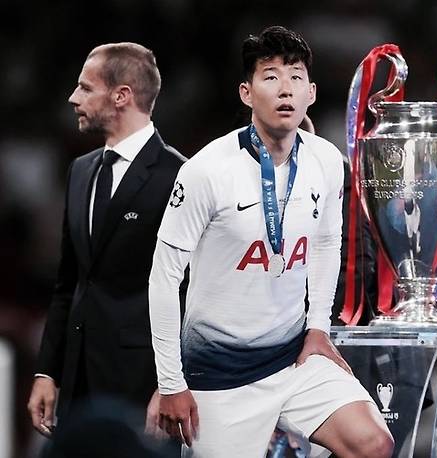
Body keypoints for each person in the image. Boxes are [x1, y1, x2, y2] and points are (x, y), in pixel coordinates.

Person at [149, 26, 394, 457]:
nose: (285, 89)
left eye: (296, 77)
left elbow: (326, 243)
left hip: (293, 359)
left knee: (373, 443)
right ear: (246, 93)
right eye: (271, 77)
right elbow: (163, 278)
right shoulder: (206, 171)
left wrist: (318, 327)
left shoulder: (326, 160)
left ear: (311, 93)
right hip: (220, 375)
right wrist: (171, 383)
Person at [27, 42, 186, 440]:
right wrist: (47, 371)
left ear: (121, 96)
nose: (73, 97)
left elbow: (190, 292)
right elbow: (69, 282)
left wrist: (170, 385)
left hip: (141, 385)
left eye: (85, 87)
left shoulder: (179, 176)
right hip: (76, 381)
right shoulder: (81, 171)